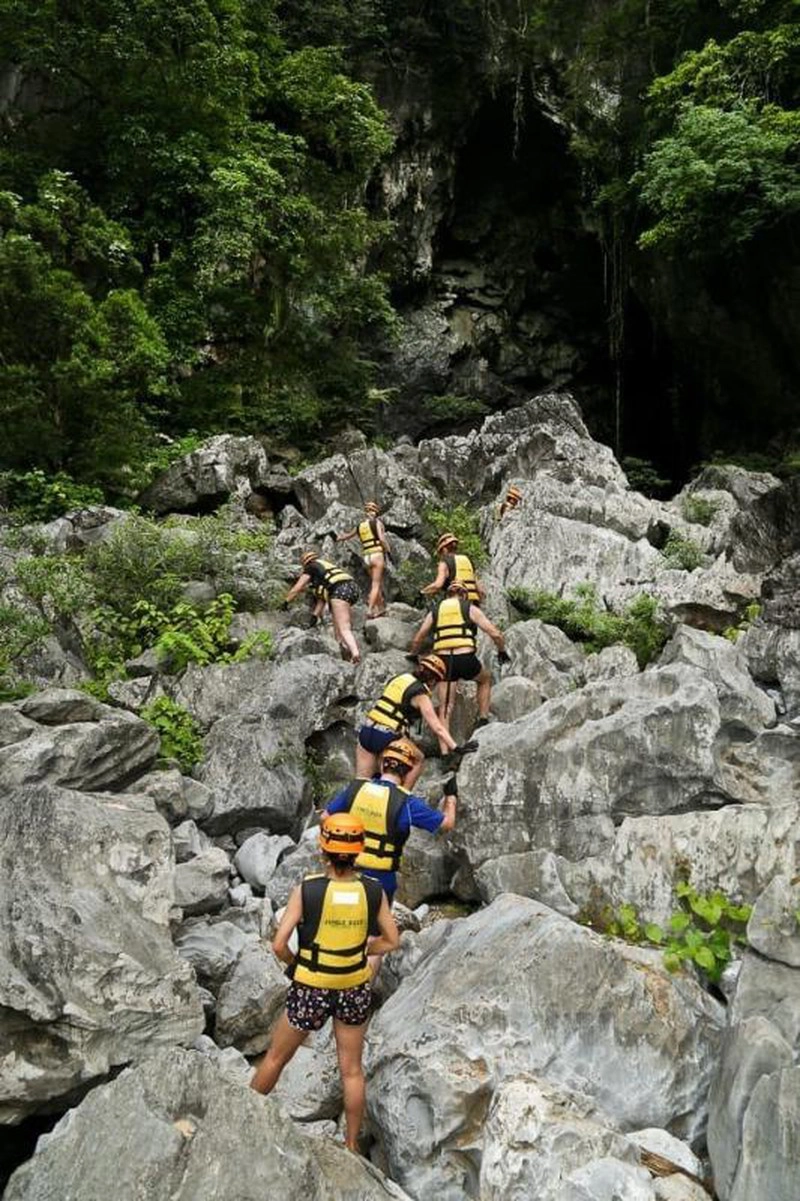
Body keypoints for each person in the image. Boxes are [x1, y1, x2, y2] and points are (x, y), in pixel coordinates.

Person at [250, 813, 399, 1153]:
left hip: (311, 986)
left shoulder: (308, 890)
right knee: (351, 1070)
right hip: (354, 987)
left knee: (275, 1058)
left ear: (324, 849)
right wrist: (364, 950)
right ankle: (350, 1145)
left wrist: (299, 963)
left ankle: (242, 1113)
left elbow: (278, 945)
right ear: (359, 850)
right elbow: (392, 940)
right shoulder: (374, 892)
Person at [325, 737, 458, 906]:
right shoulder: (407, 803)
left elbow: (325, 817)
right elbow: (447, 823)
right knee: (376, 927)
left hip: (347, 869)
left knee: (345, 917)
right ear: (407, 771)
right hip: (381, 877)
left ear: (381, 765)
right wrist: (451, 797)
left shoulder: (356, 788)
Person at [409, 579, 510, 734]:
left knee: (446, 706)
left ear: (447, 594)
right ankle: (483, 719)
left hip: (442, 662)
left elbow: (419, 636)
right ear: (464, 595)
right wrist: (502, 651)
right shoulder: (469, 608)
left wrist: (413, 655)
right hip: (465, 659)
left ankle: (446, 748)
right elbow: (495, 634)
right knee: (485, 679)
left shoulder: (436, 610)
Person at [358, 653, 461, 785]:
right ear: (433, 680)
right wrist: (456, 747)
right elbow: (438, 727)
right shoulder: (420, 694)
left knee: (360, 783)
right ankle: (403, 795)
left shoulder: (401, 678)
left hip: (367, 730)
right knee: (418, 759)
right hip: (388, 735)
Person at [282, 550, 361, 664]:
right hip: (353, 589)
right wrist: (314, 617)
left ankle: (355, 654)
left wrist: (285, 602)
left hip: (339, 591)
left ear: (305, 563)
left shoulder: (310, 568)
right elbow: (322, 599)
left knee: (344, 628)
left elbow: (297, 588)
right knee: (337, 627)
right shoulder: (325, 569)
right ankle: (344, 653)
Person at [336, 501, 391, 619]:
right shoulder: (377, 523)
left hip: (366, 556)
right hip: (377, 554)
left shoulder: (360, 526)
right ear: (376, 512)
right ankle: (370, 610)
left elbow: (346, 536)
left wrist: (339, 537)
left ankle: (381, 608)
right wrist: (388, 549)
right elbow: (381, 539)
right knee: (376, 584)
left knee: (376, 584)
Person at [421, 532, 484, 604]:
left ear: (444, 549)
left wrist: (423, 592)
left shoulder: (444, 563)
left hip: (457, 604)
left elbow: (437, 585)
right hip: (472, 605)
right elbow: (480, 590)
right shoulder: (467, 560)